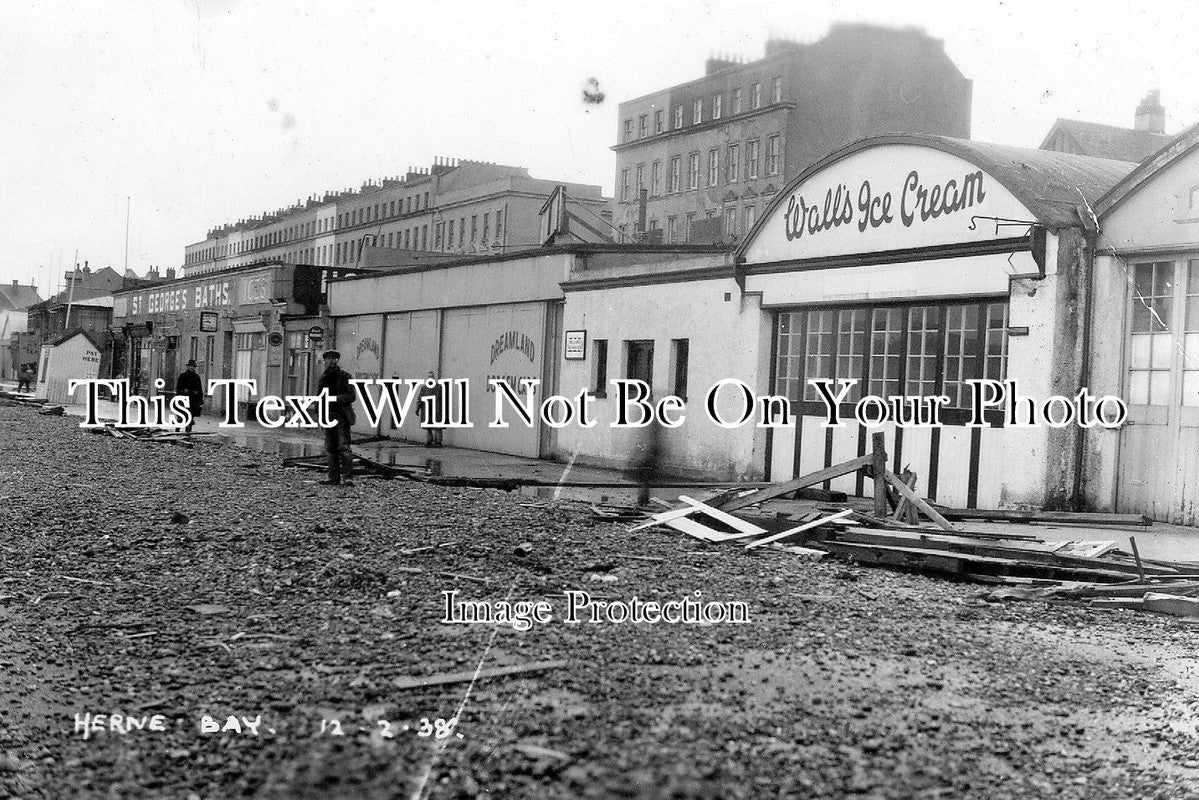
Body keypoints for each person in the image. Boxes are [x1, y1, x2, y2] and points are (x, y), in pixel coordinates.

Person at [317, 350, 356, 486]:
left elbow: (352, 396)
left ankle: (347, 477)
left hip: (341, 417)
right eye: (329, 358)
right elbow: (319, 398)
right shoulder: (323, 377)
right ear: (325, 361)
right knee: (330, 448)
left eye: (334, 358)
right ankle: (333, 478)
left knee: (344, 447)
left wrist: (335, 399)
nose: (332, 361)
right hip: (327, 416)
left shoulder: (345, 376)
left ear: (337, 361)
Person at [416, 371, 445, 448]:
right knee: (437, 427)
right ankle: (438, 441)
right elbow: (443, 399)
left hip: (428, 410)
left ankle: (430, 441)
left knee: (429, 427)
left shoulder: (424, 388)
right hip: (436, 410)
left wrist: (417, 409)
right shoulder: (438, 387)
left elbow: (420, 399)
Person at [174, 359, 204, 433]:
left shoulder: (196, 377)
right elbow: (178, 388)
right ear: (188, 367)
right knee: (181, 416)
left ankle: (188, 431)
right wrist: (183, 391)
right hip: (183, 398)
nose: (192, 368)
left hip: (193, 400)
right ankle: (177, 429)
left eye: (193, 366)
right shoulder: (183, 376)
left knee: (190, 416)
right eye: (190, 366)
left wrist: (200, 399)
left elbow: (199, 388)